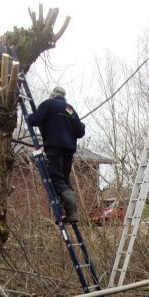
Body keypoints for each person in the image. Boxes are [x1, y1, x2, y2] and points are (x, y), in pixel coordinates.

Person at [27, 86, 85, 223]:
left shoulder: (48, 104)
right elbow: (81, 131)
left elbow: (33, 120)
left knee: (56, 179)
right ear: (63, 97)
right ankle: (71, 214)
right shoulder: (69, 109)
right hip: (68, 150)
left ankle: (70, 206)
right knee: (64, 179)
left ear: (52, 95)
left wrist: (28, 117)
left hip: (55, 148)